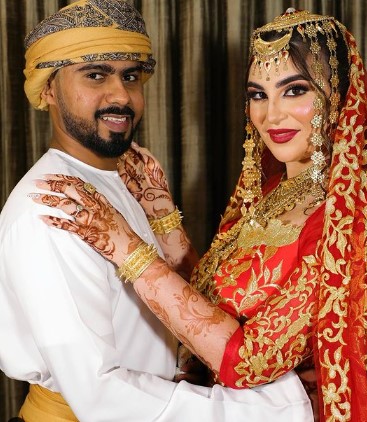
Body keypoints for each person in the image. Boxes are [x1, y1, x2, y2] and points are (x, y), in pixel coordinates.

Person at [33, 7, 367, 422]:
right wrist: (161, 212)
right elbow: (214, 302)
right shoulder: (276, 190)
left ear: (337, 93)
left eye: (294, 90)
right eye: (258, 95)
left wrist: (127, 250)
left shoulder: (362, 215)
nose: (271, 115)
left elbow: (249, 361)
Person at [0, 1, 313, 421]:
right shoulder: (52, 206)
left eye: (130, 76)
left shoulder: (123, 177)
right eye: (95, 75)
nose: (121, 96)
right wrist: (269, 409)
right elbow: (100, 396)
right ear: (48, 90)